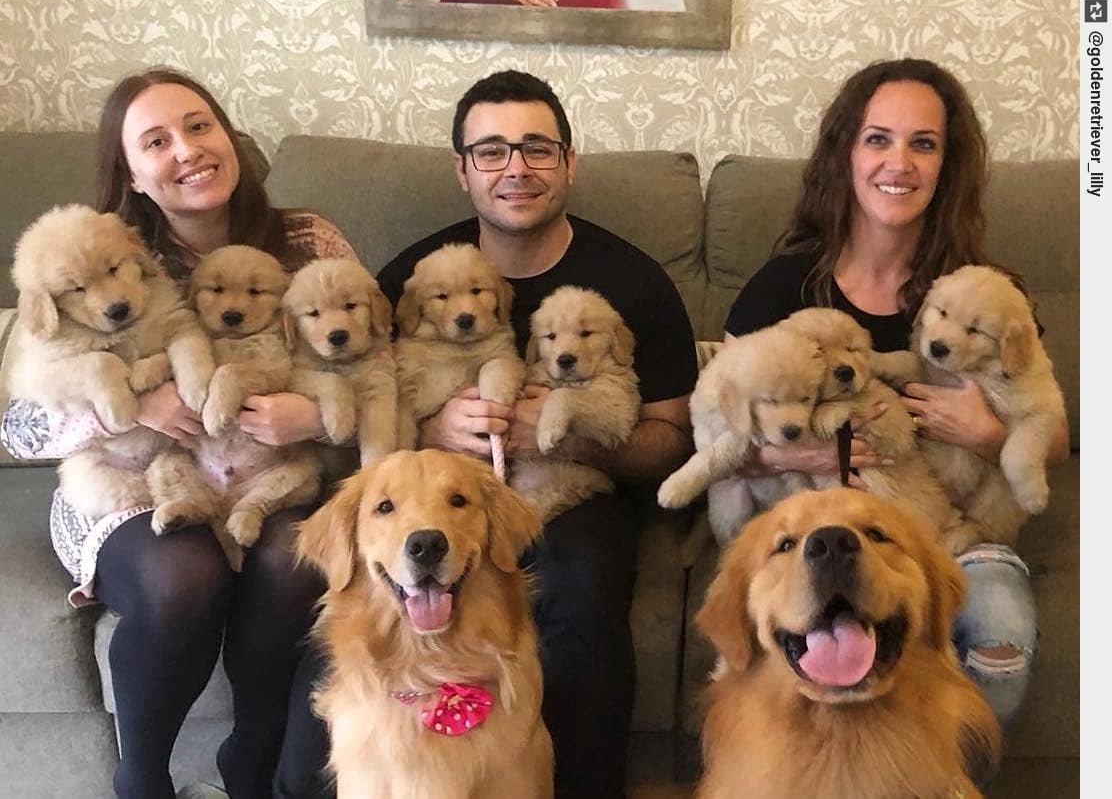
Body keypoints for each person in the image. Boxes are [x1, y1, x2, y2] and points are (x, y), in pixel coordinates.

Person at [0, 67, 357, 799]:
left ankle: (249, 769)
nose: (188, 149)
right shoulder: (92, 254)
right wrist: (135, 406)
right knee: (182, 575)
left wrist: (318, 414)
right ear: (130, 173)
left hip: (268, 463)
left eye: (199, 126)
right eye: (156, 141)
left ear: (230, 135)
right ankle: (143, 782)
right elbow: (19, 426)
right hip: (134, 474)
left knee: (292, 562)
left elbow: (379, 361)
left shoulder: (308, 237)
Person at [375, 69, 697, 799]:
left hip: (579, 498)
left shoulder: (634, 281)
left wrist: (559, 439)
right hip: (440, 499)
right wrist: (431, 425)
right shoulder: (417, 274)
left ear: (569, 162)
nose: (515, 168)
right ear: (461, 170)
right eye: (490, 151)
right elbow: (371, 394)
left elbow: (672, 440)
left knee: (577, 581)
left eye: (537, 149)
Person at [722, 57, 1070, 730]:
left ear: (947, 165)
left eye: (924, 143)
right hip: (804, 533)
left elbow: (1052, 434)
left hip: (950, 530)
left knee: (999, 642)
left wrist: (990, 434)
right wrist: (809, 460)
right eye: (878, 139)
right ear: (846, 154)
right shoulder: (784, 284)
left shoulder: (981, 291)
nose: (899, 162)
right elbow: (716, 430)